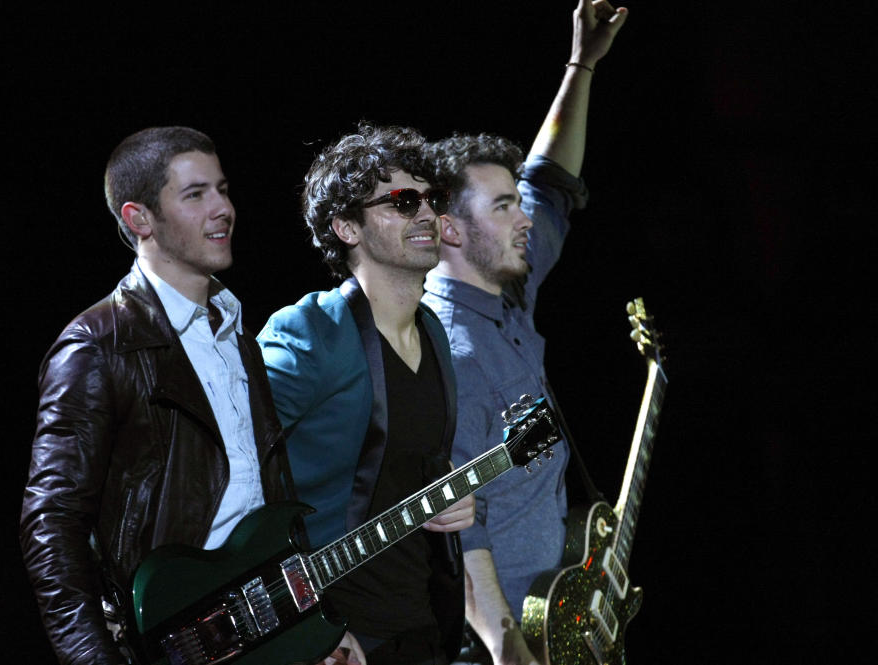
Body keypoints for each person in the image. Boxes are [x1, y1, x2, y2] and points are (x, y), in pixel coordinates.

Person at [19, 127, 296, 665]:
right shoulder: (98, 346)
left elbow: (267, 499)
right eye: (195, 195)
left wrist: (312, 620)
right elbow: (51, 524)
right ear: (138, 218)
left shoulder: (236, 330)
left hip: (266, 632)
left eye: (222, 188)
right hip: (170, 642)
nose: (223, 209)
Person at [420, 3, 628, 664]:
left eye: (515, 204)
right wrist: (506, 644)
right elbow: (459, 526)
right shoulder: (448, 351)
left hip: (552, 622)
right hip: (493, 649)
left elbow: (551, 184)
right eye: (503, 206)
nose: (523, 220)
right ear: (450, 230)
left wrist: (582, 64)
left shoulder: (508, 284)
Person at [257, 124, 475, 665]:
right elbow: (231, 474)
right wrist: (308, 627)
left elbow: (410, 468)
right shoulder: (310, 331)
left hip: (423, 626)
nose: (425, 213)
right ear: (346, 228)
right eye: (402, 201)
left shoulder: (433, 330)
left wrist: (455, 497)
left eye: (432, 199)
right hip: (340, 638)